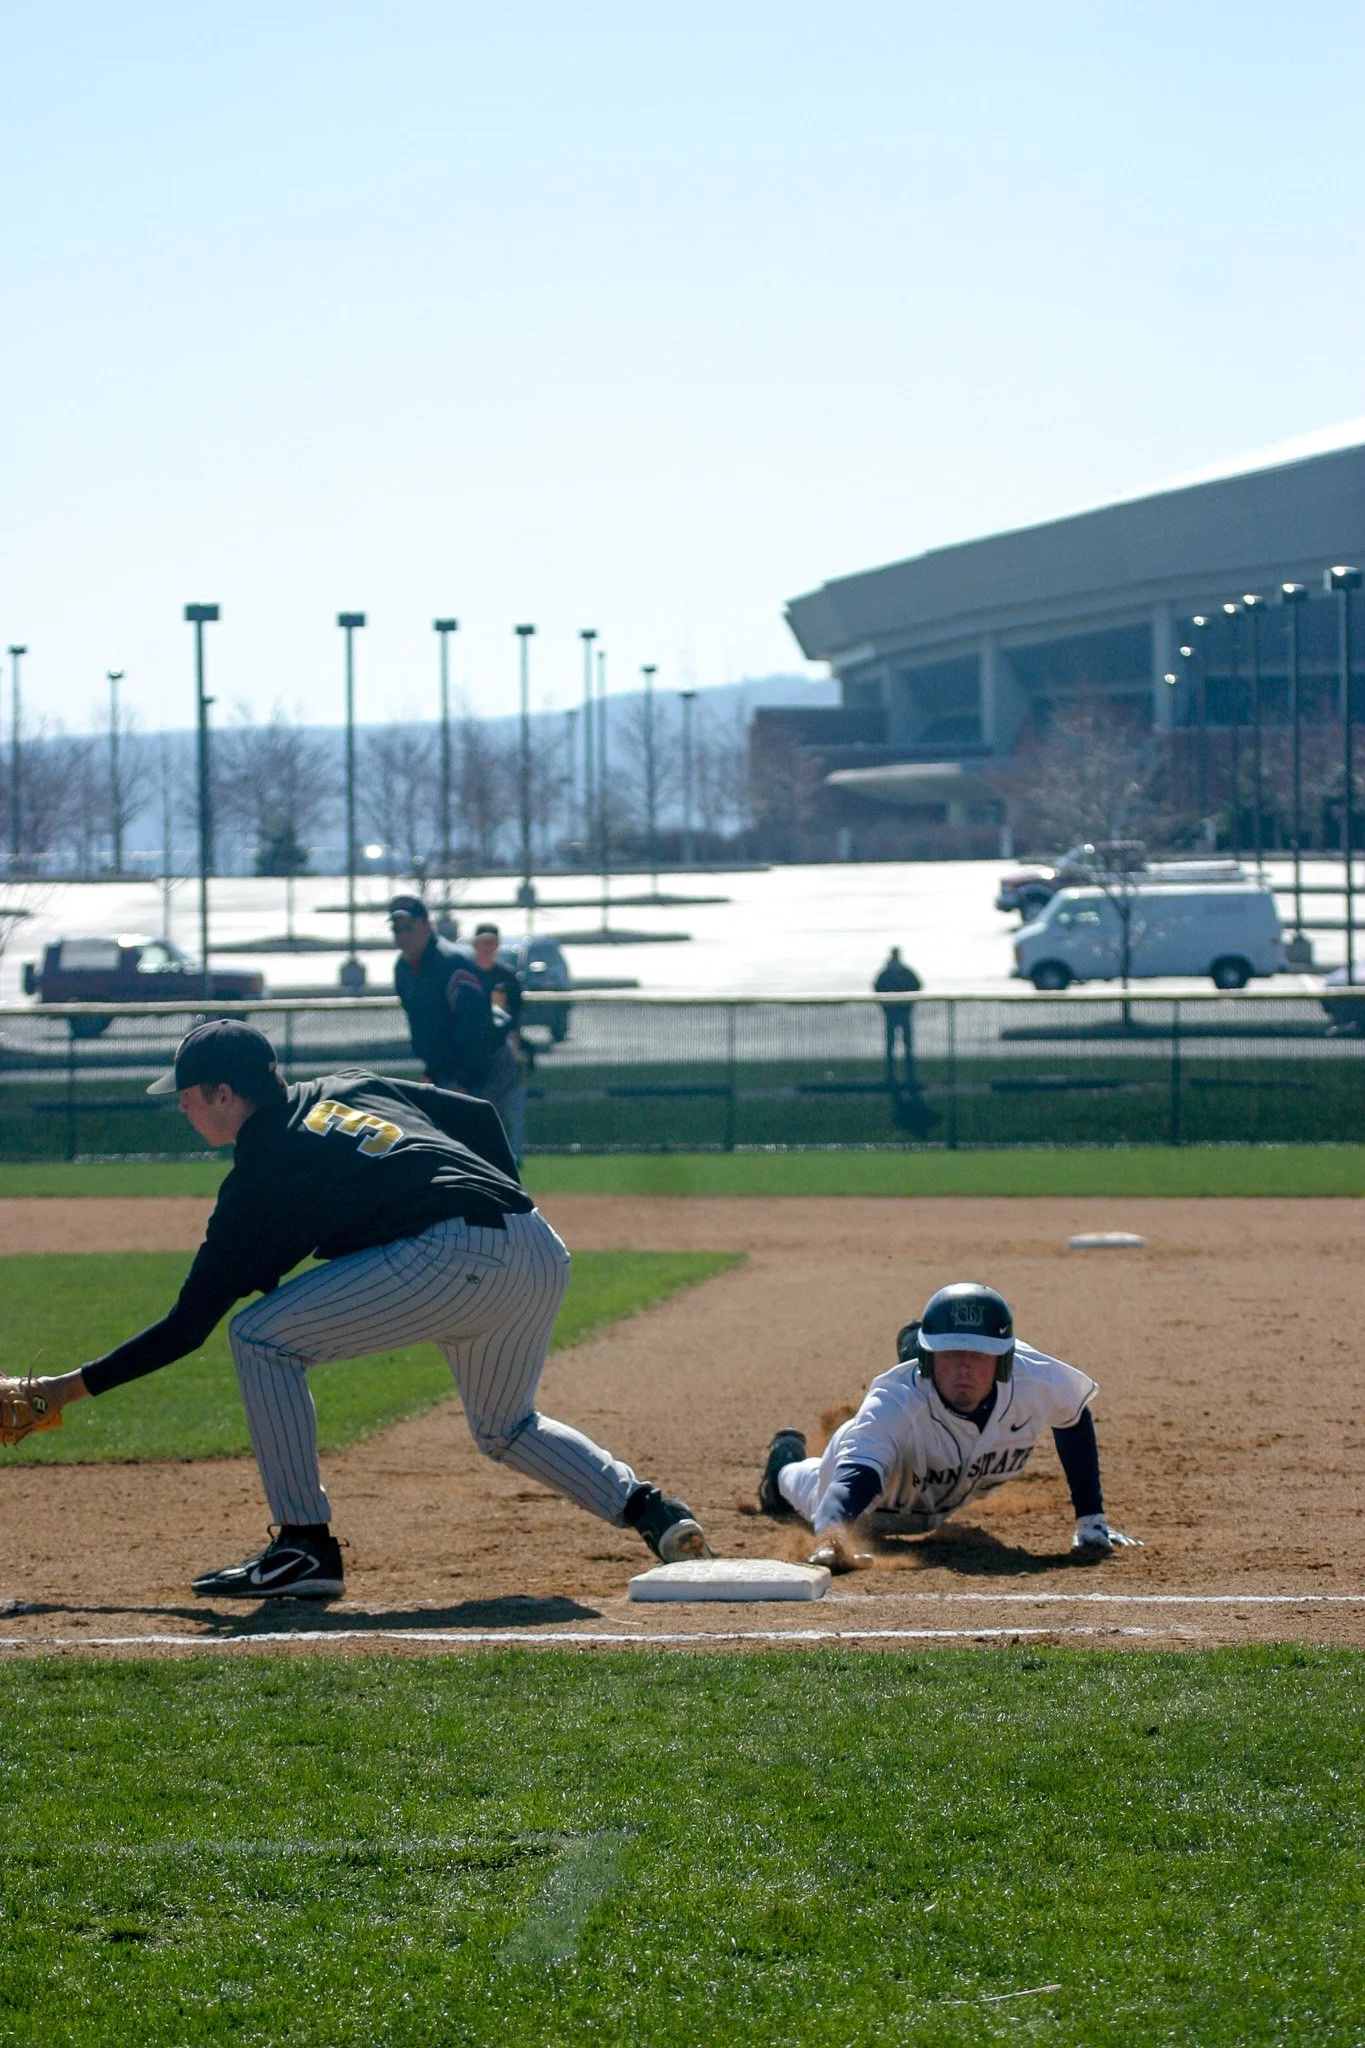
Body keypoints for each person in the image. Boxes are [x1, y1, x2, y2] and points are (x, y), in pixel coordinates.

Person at [3, 1020, 710, 1599]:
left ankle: (304, 1547)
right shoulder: (348, 1084)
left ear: (223, 1095)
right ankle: (653, 1512)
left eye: (186, 1094)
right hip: (535, 1243)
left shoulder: (261, 1178)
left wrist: (63, 1390)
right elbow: (478, 1115)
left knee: (257, 1339)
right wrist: (496, 1207)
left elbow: (189, 1327)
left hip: (451, 1255)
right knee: (506, 1427)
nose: (179, 1106)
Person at [757, 1281, 1138, 1571]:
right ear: (930, 1359)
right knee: (801, 1483)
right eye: (950, 1354)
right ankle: (781, 1464)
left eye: (977, 1355)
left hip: (940, 1492)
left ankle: (919, 1347)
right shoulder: (890, 1405)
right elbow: (851, 1482)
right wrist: (833, 1537)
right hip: (873, 1503)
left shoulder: (1035, 1378)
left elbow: (1072, 1414)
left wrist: (1092, 1520)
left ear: (1005, 1361)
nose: (964, 1368)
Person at [465, 923, 527, 1164]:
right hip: (471, 1053)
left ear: (497, 945)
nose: (487, 947)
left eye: (491, 942)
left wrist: (517, 1047)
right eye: (483, 942)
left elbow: (515, 1018)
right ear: (475, 944)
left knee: (507, 1104)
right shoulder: (466, 974)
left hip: (501, 1050)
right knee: (474, 1106)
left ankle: (511, 1155)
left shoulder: (507, 977)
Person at [873, 946, 923, 1102]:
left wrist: (885, 1004)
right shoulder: (905, 972)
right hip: (902, 1012)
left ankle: (892, 1076)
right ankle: (908, 1076)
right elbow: (918, 984)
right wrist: (909, 1002)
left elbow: (877, 987)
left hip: (892, 1013)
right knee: (905, 1046)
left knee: (892, 1046)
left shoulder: (886, 973)